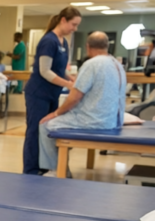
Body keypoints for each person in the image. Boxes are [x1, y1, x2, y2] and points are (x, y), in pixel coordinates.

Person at [38, 32, 125, 176]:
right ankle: (62, 165)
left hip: (94, 121)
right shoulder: (116, 63)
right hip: (114, 120)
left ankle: (56, 170)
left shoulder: (91, 64)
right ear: (107, 46)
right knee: (60, 123)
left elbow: (74, 97)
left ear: (88, 47)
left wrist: (55, 114)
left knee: (46, 125)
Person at [23, 6, 81, 175]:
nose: (75, 29)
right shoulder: (49, 41)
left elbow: (60, 68)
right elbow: (45, 71)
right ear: (63, 20)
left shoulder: (63, 41)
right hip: (38, 93)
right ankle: (31, 170)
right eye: (73, 24)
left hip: (52, 93)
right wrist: (68, 85)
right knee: (35, 130)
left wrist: (72, 79)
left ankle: (44, 166)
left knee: (47, 130)